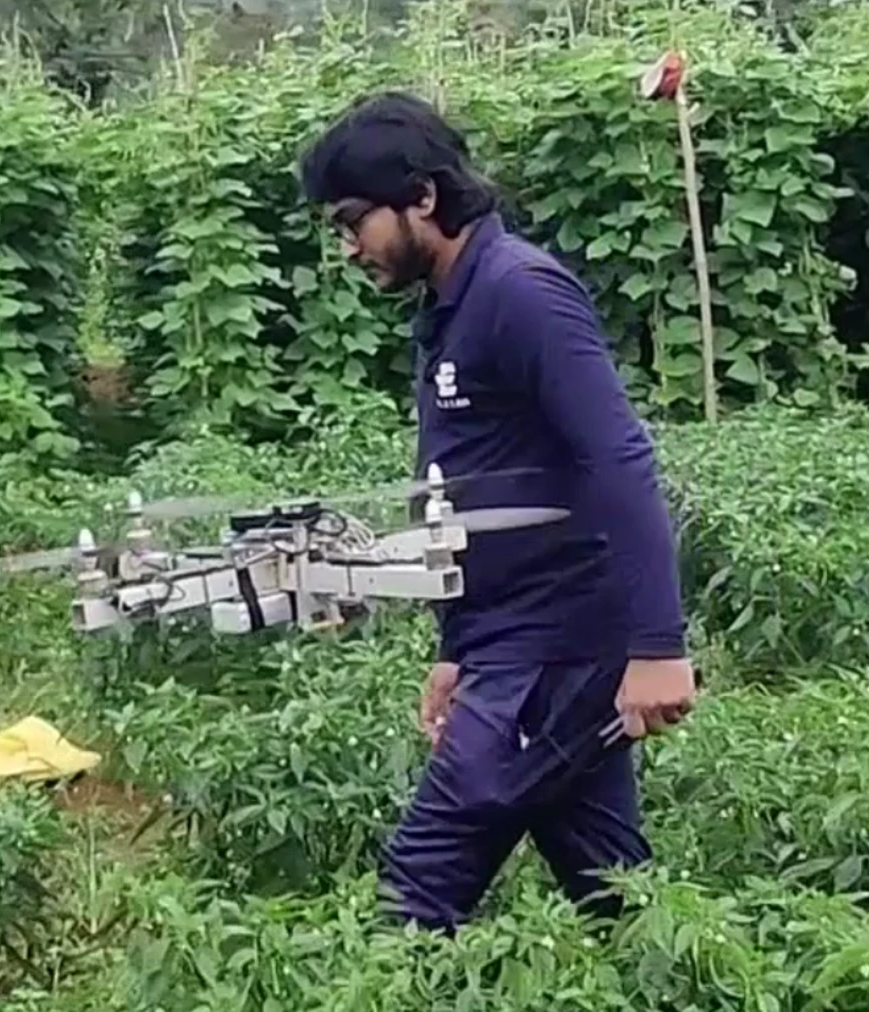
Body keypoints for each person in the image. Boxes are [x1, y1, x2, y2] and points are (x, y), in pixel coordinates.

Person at [297, 90, 698, 932]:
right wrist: (459, 649)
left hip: (553, 653)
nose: (347, 248)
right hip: (516, 647)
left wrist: (659, 648)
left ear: (422, 197)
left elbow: (619, 458)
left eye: (353, 222)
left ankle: (370, 984)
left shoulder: (521, 293)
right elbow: (469, 495)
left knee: (415, 895)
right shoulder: (451, 305)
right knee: (619, 897)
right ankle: (687, 980)